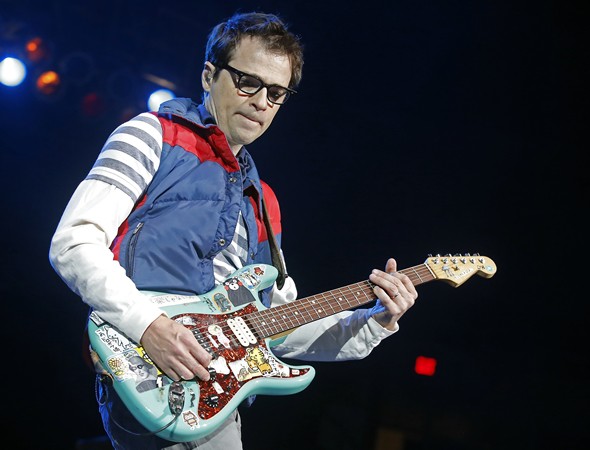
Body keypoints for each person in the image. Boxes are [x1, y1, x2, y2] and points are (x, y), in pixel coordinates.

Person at [49, 11, 417, 450]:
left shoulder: (265, 201)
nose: (262, 101)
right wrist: (149, 326)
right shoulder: (151, 135)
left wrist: (376, 320)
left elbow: (277, 327)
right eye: (248, 82)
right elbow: (74, 242)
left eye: (277, 92)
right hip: (150, 372)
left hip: (214, 395)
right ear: (209, 76)